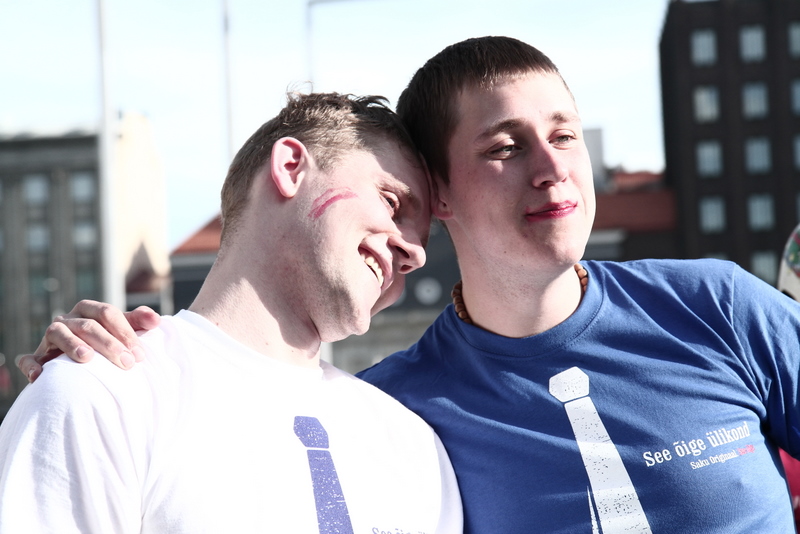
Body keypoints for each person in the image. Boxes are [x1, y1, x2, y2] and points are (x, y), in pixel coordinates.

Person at [20, 37, 800, 532]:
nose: (552, 166)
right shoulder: (408, 413)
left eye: (565, 135)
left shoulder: (715, 307)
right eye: (505, 146)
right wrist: (81, 378)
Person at [0, 92, 462, 533]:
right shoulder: (104, 395)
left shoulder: (415, 447)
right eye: (391, 202)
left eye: (421, 242)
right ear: (291, 167)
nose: (415, 254)